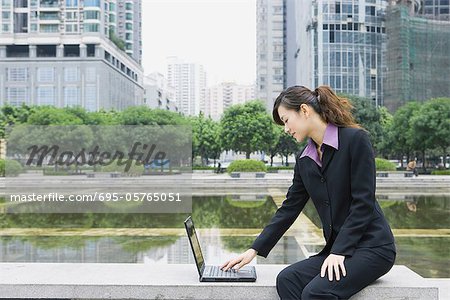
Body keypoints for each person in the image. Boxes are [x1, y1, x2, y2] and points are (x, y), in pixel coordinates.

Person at [220, 85, 396, 300]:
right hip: (337, 250)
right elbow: (289, 208)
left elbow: (363, 202)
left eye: (286, 120)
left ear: (304, 110)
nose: (286, 129)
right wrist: (254, 250)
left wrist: (339, 251)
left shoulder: (354, 139)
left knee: (317, 292)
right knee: (287, 280)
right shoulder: (304, 158)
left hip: (373, 248)